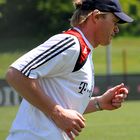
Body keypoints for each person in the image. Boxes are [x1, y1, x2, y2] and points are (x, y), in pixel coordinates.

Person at [6, 0, 133, 140]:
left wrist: (99, 103)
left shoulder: (84, 49)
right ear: (96, 16)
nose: (116, 29)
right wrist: (57, 113)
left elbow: (64, 102)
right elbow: (15, 74)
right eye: (114, 21)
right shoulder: (71, 44)